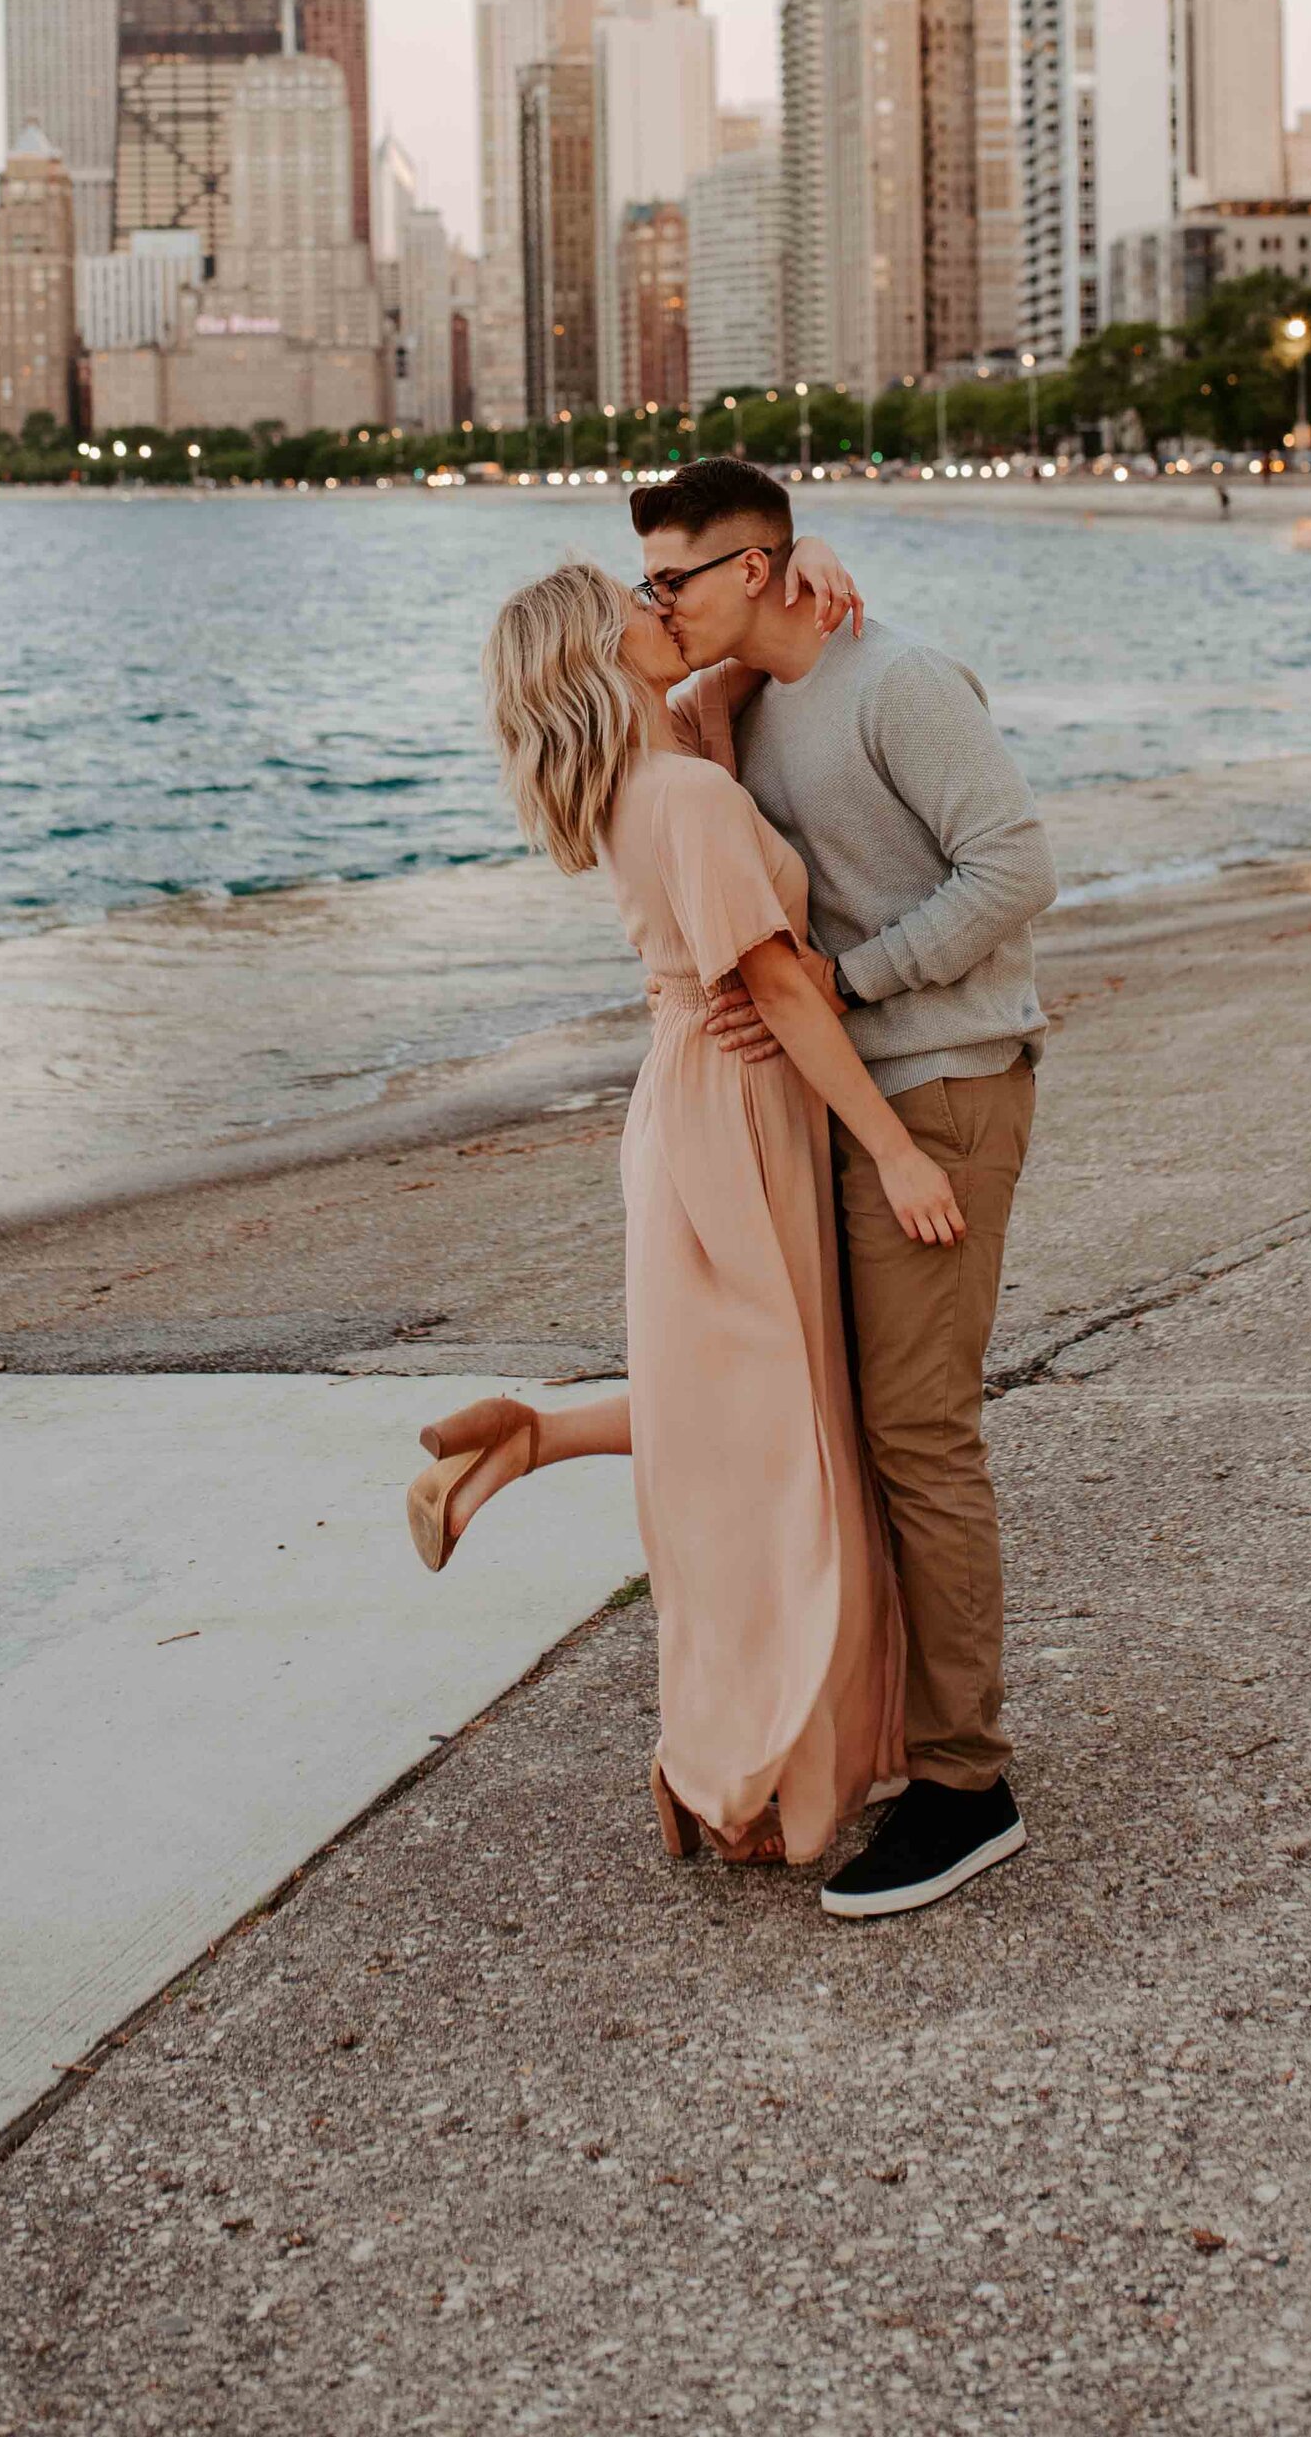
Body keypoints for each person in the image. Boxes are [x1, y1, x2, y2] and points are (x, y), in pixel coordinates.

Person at [407, 545, 937, 1873]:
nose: (664, 615)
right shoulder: (686, 792)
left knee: (748, 1414)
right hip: (736, 1111)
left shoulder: (640, 778)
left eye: (662, 593)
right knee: (779, 1449)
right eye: (633, 610)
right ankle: (742, 1771)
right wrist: (893, 1149)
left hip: (688, 1099)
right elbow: (785, 990)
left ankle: (532, 1440)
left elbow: (721, 661)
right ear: (598, 660)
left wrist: (790, 573)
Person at [626, 455, 1057, 1921]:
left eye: (671, 578)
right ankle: (877, 1732)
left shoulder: (898, 681)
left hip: (940, 1088)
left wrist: (850, 979)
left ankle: (966, 1784)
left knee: (919, 1435)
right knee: (841, 1427)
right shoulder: (747, 707)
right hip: (851, 1095)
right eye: (643, 585)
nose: (652, 603)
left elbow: (1015, 868)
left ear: (754, 568)